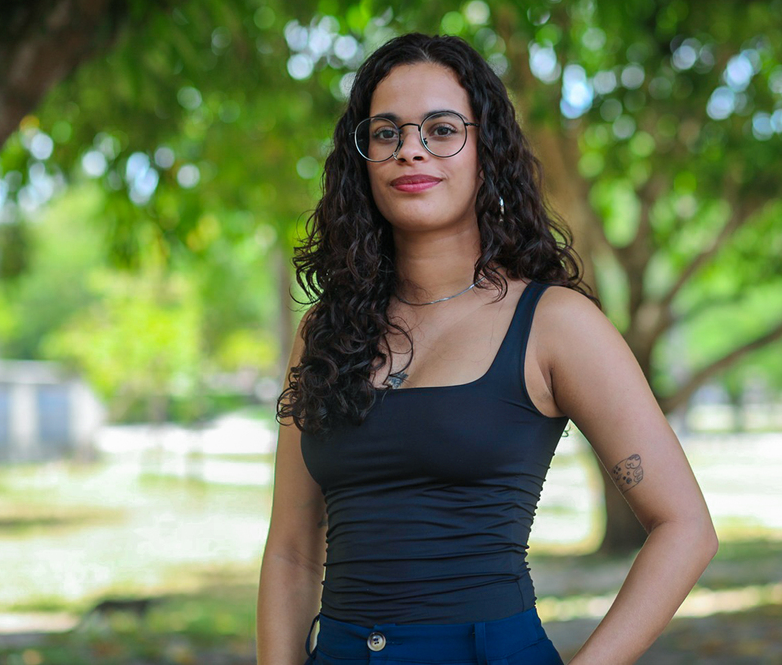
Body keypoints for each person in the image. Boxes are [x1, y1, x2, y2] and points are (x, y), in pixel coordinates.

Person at [257, 32, 718, 665]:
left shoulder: (555, 323)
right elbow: (291, 546)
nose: (410, 150)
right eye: (386, 133)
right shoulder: (324, 332)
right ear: (361, 159)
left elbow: (685, 528)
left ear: (485, 151)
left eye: (441, 130)